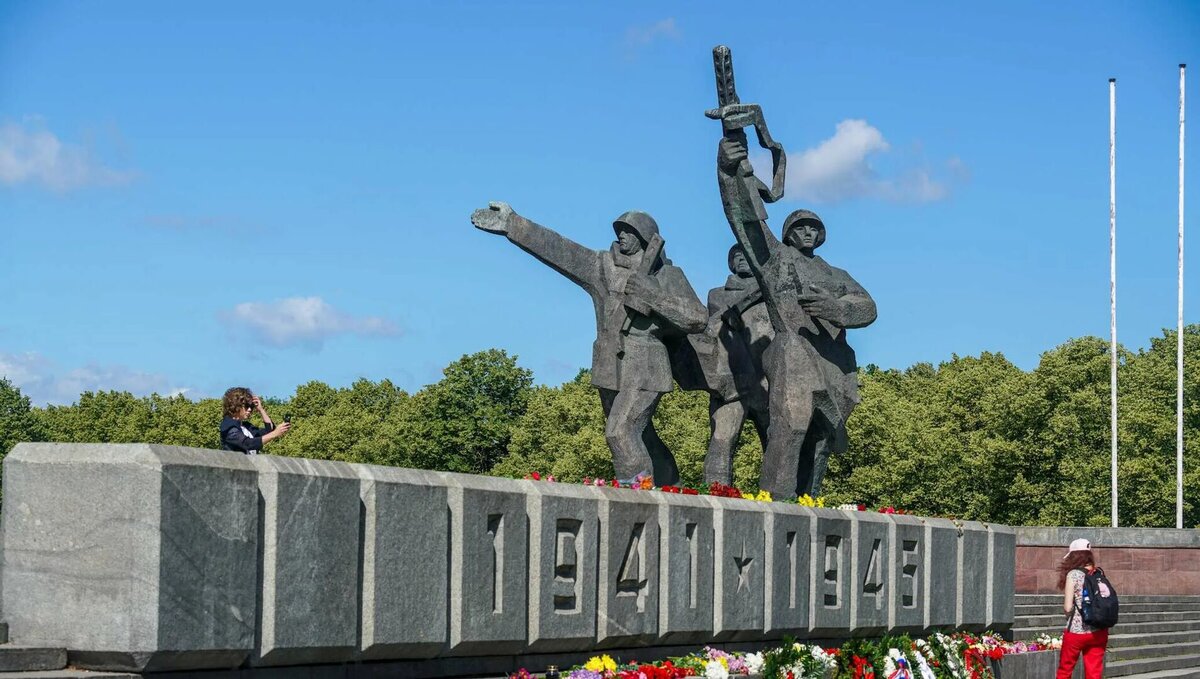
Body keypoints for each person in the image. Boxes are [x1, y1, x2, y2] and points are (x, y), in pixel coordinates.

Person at [471, 202, 707, 485]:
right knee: (641, 435)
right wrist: (514, 224)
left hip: (646, 364)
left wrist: (652, 296)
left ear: (645, 237)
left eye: (629, 231)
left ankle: (637, 498)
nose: (621, 236)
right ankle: (671, 487)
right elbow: (561, 250)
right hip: (609, 363)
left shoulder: (667, 275)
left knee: (620, 433)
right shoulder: (603, 266)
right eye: (619, 230)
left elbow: (697, 318)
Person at [716, 134, 877, 497]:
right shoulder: (775, 260)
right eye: (800, 227)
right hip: (792, 353)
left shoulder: (836, 274)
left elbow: (868, 306)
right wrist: (727, 171)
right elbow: (745, 221)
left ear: (821, 235)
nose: (807, 232)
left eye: (813, 228)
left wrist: (837, 309)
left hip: (833, 364)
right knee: (791, 427)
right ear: (788, 234)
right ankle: (776, 500)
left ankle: (808, 503)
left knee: (820, 441)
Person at [699, 244, 772, 485]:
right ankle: (715, 497)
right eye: (737, 256)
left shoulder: (773, 296)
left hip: (767, 381)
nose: (741, 260)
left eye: (747, 256)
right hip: (731, 380)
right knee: (722, 441)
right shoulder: (717, 295)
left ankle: (784, 500)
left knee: (776, 445)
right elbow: (714, 325)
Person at [1057, 538, 1109, 679]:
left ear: (1073, 556)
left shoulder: (1073, 574)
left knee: (1065, 671)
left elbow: (1068, 607)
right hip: (1099, 631)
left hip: (1076, 631)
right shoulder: (1098, 573)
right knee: (1094, 673)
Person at [219, 387, 289, 454]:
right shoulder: (228, 426)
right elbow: (247, 444)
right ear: (235, 405)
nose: (249, 409)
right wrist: (274, 433)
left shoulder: (246, 426)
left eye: (251, 406)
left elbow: (270, 430)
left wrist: (260, 409)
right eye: (246, 406)